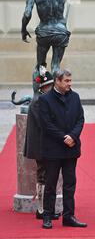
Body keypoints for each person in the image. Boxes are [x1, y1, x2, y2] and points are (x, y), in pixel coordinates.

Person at [38, 69, 86, 229]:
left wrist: (73, 136)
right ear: (57, 81)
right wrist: (64, 138)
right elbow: (46, 124)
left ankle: (68, 216)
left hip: (71, 148)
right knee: (50, 183)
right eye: (66, 81)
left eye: (70, 81)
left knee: (70, 183)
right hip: (53, 149)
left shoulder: (75, 97)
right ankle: (47, 216)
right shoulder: (45, 99)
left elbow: (80, 119)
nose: (69, 84)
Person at [21, 0, 80, 75]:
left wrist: (23, 29)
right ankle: (54, 90)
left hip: (44, 32)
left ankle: (40, 89)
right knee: (56, 66)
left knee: (40, 66)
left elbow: (27, 14)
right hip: (60, 32)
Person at [23, 66, 58, 220]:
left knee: (46, 175)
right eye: (49, 86)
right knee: (42, 176)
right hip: (40, 145)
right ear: (43, 87)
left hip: (43, 144)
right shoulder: (39, 102)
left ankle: (46, 209)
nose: (51, 88)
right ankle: (41, 210)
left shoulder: (41, 100)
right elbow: (45, 124)